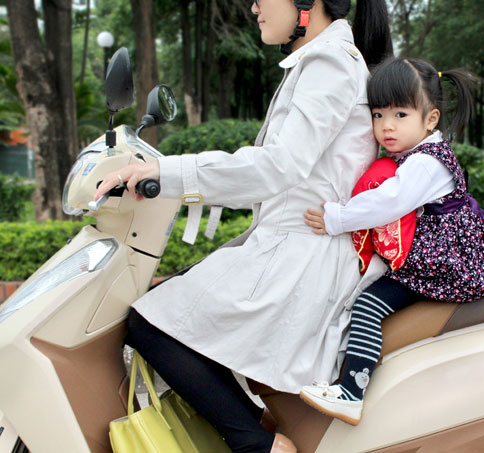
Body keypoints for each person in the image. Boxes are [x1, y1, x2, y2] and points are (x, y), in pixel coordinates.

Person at [93, 0, 392, 451]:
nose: (253, 6)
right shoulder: (322, 59)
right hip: (292, 245)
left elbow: (278, 166)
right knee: (170, 315)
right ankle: (260, 432)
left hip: (302, 255)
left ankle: (259, 445)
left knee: (151, 324)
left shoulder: (329, 63)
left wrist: (168, 172)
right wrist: (169, 176)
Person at [300, 57, 484, 426]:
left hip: (444, 267)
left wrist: (337, 218)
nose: (387, 126)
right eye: (378, 114)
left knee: (368, 305)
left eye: (400, 114)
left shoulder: (426, 163)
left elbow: (389, 202)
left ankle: (351, 393)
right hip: (434, 261)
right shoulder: (417, 155)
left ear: (430, 119)